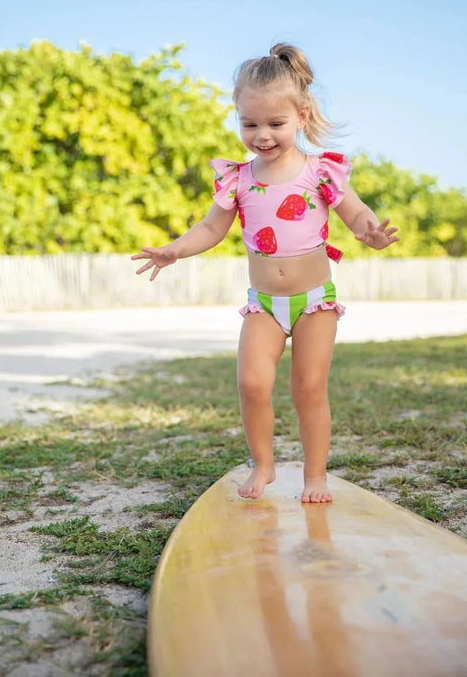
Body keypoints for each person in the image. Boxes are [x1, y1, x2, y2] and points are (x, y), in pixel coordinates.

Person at [132, 43, 399, 503]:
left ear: (301, 116)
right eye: (249, 124)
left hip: (314, 301)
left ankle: (315, 475)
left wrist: (370, 232)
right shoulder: (237, 178)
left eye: (275, 124)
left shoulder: (320, 172)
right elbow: (211, 228)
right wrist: (175, 249)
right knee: (252, 383)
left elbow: (356, 213)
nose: (262, 135)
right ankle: (264, 464)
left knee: (308, 388)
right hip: (264, 304)